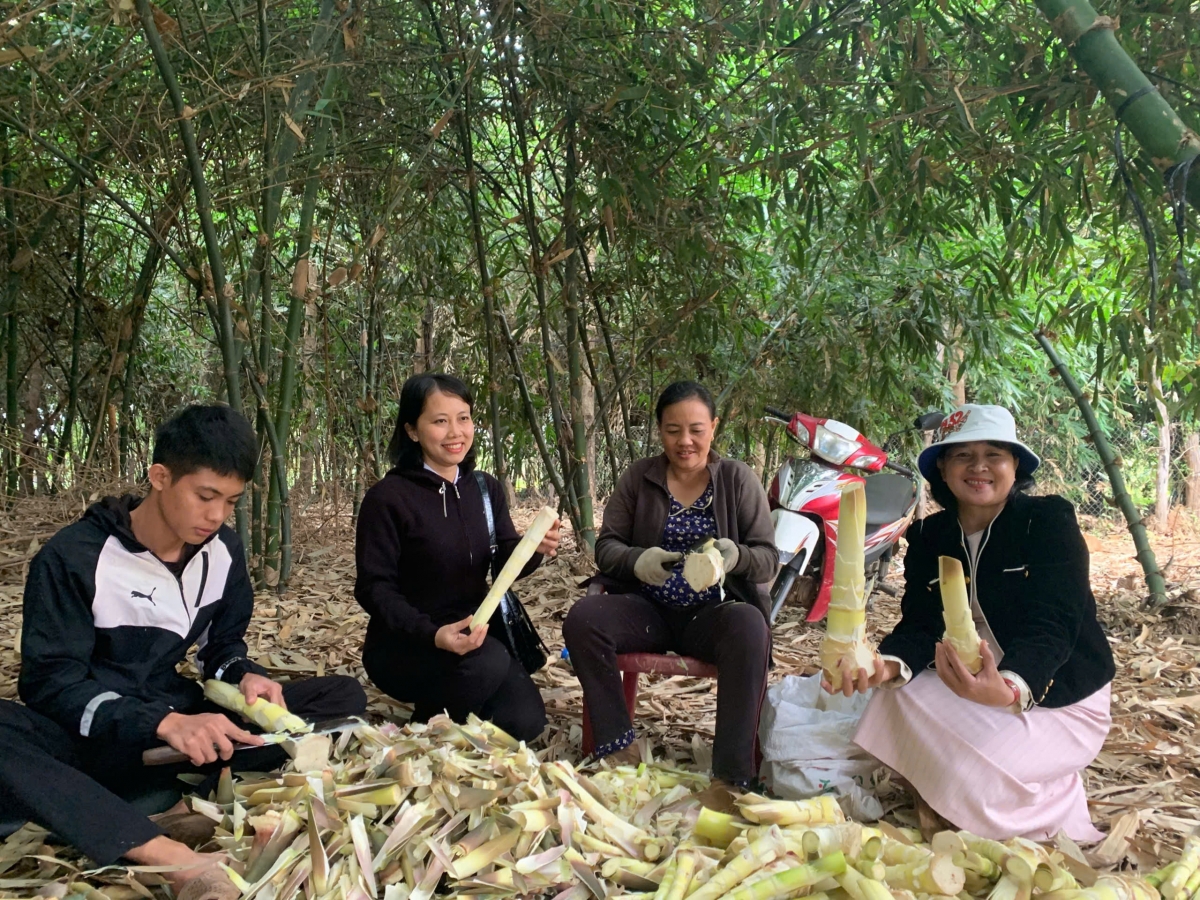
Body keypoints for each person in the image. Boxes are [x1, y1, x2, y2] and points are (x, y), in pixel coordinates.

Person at [1, 404, 366, 895]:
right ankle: (164, 852)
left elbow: (223, 650)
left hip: (175, 737)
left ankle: (121, 802)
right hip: (88, 737)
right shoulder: (73, 558)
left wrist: (244, 678)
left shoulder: (223, 552)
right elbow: (51, 685)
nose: (216, 516)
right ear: (160, 477)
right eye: (205, 496)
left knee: (340, 697)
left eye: (231, 501)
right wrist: (161, 723)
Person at [838, 404, 1115, 841]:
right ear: (943, 470)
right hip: (968, 685)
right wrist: (884, 665)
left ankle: (1054, 798)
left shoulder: (1045, 522)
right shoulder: (930, 536)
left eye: (994, 455)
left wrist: (1010, 686)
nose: (979, 467)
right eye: (963, 456)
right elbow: (920, 626)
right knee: (893, 698)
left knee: (970, 780)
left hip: (1057, 695)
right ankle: (997, 779)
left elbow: (1054, 622)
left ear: (1015, 466)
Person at [563, 381, 777, 799]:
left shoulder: (737, 479)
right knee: (583, 619)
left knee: (750, 625)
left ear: (713, 428)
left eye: (696, 429)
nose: (685, 441)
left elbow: (768, 557)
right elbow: (606, 546)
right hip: (648, 610)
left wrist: (734, 558)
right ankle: (615, 747)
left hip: (713, 615)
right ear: (660, 431)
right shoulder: (638, 478)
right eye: (673, 430)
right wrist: (637, 560)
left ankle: (731, 776)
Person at [354, 373, 561, 742]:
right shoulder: (389, 498)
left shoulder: (484, 488)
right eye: (440, 421)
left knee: (524, 723)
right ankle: (423, 728)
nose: (456, 432)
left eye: (463, 418)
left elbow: (504, 565)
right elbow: (373, 588)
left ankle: (455, 707)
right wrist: (433, 635)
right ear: (412, 430)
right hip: (407, 644)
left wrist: (535, 548)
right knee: (489, 663)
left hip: (475, 634)